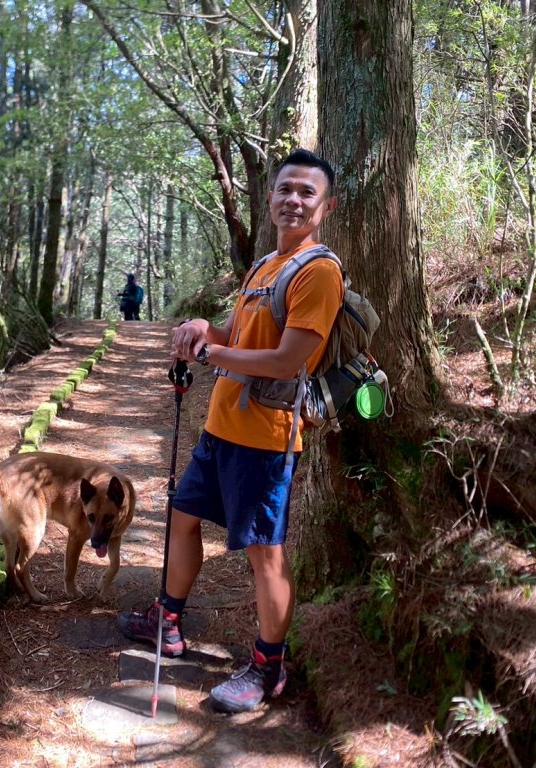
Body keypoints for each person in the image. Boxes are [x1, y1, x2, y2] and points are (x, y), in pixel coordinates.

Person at [118, 148, 342, 713]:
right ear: (270, 198)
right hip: (222, 428)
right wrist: (205, 329)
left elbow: (289, 360)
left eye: (306, 192)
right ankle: (166, 621)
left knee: (264, 552)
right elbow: (243, 341)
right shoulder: (265, 265)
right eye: (285, 189)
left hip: (266, 437)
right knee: (182, 518)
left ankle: (269, 666)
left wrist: (213, 351)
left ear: (325, 205)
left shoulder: (318, 272)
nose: (293, 199)